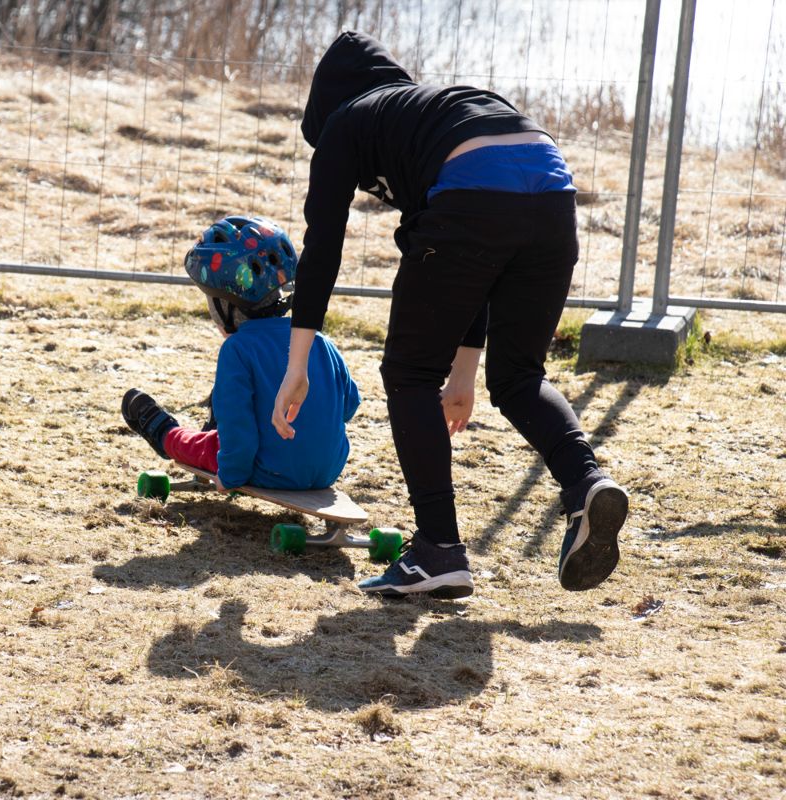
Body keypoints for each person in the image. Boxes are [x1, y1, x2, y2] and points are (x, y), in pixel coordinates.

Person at [271, 31, 628, 599]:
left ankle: (437, 549)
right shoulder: (429, 112)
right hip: (554, 196)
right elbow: (477, 255)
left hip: (477, 196)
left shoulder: (346, 122)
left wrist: (298, 363)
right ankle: (587, 482)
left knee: (409, 373)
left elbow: (323, 249)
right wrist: (465, 372)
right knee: (518, 378)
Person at [123, 215, 360, 493]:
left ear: (225, 303)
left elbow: (239, 435)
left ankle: (163, 431)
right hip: (327, 471)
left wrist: (231, 478)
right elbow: (349, 406)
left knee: (207, 446)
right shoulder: (318, 341)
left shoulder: (237, 350)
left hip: (266, 470)